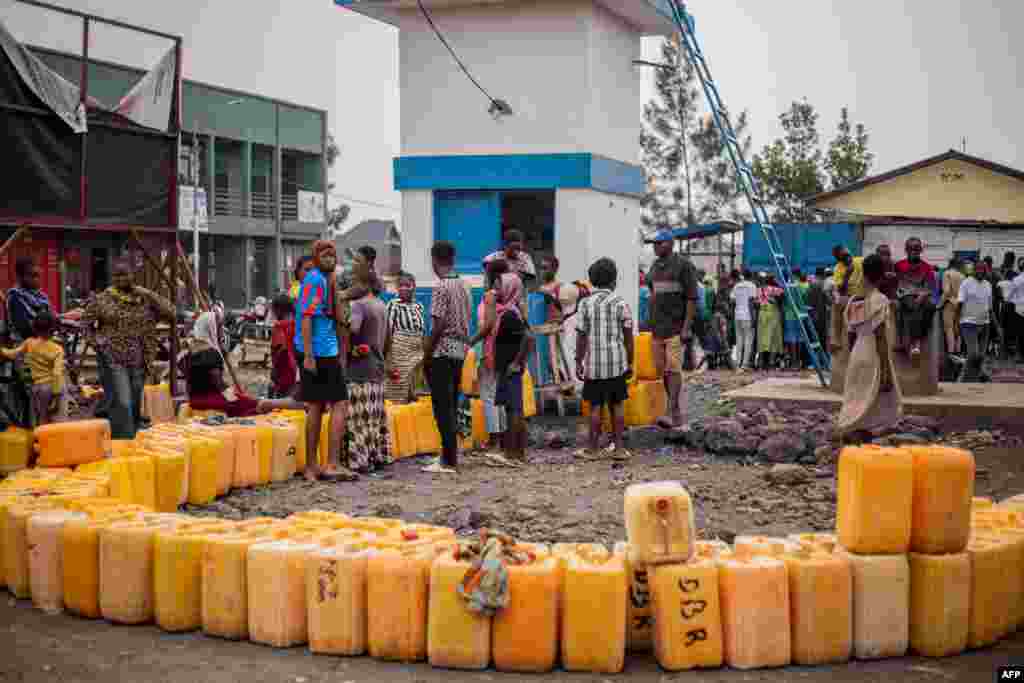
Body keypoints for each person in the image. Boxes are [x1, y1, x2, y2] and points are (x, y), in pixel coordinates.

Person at [79, 259, 175, 440]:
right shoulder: (102, 300)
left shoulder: (143, 299)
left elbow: (171, 312)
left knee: (134, 402)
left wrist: (148, 293)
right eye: (117, 275)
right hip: (113, 358)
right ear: (112, 278)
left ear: (133, 275)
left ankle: (128, 436)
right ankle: (125, 443)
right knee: (123, 401)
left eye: (125, 274)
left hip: (139, 358)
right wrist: (98, 342)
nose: (121, 278)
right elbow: (85, 324)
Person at [295, 240, 352, 482]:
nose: (330, 259)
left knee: (320, 405)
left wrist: (342, 352)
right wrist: (308, 356)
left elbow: (337, 317)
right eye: (325, 256)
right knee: (336, 404)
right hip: (316, 352)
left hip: (326, 350)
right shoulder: (314, 280)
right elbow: (306, 318)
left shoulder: (328, 281)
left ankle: (317, 466)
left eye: (333, 255)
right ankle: (325, 464)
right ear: (316, 259)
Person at [836, 254, 903, 441]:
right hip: (874, 352)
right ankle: (872, 430)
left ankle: (850, 426)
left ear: (863, 272)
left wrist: (853, 357)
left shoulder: (853, 301)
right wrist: (886, 369)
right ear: (881, 276)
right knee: (880, 391)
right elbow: (880, 337)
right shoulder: (880, 300)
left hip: (858, 350)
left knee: (857, 392)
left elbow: (850, 334)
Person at [575, 257, 634, 460]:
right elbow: (628, 337)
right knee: (617, 405)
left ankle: (592, 449)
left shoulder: (584, 304)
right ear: (614, 281)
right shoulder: (621, 303)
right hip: (617, 364)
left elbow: (581, 335)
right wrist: (630, 362)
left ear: (591, 281)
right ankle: (618, 449)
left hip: (594, 366)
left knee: (595, 406)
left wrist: (578, 361)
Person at [423, 240, 472, 474]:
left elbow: (439, 323)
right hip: (461, 350)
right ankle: (449, 455)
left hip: (443, 350)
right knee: (451, 402)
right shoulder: (464, 285)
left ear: (434, 260)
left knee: (442, 405)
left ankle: (448, 459)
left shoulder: (441, 286)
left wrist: (426, 353)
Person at [644, 230, 698, 429]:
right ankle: (675, 412)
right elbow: (652, 290)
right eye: (653, 244)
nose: (655, 247)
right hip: (657, 329)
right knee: (662, 370)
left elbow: (692, 298)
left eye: (658, 243)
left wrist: (686, 327)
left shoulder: (684, 265)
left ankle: (670, 410)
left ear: (669, 244)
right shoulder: (655, 266)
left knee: (673, 369)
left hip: (676, 328)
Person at [346, 250, 392, 474]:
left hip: (360, 368)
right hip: (378, 367)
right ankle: (377, 456)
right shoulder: (382, 306)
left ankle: (360, 460)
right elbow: (388, 339)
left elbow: (353, 329)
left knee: (358, 418)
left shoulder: (359, 306)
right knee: (375, 417)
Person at [468, 260, 512, 456]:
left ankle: (494, 440)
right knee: (498, 396)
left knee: (489, 396)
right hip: (502, 351)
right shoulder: (508, 296)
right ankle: (501, 438)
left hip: (489, 349)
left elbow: (488, 326)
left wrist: (472, 341)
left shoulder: (490, 297)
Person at [188, 348, 301, 417]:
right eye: (220, 371)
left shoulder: (194, 399)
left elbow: (239, 399)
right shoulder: (220, 402)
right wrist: (259, 407)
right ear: (214, 374)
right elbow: (242, 407)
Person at [491, 272, 533, 462]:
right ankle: (516, 453)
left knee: (514, 409)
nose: (495, 289)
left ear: (509, 289)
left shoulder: (509, 315)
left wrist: (516, 363)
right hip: (508, 367)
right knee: (512, 408)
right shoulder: (511, 311)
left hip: (510, 368)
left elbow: (529, 338)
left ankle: (514, 453)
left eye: (499, 286)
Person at [1, 312, 65, 426]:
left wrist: (2, 350)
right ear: (53, 329)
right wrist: (56, 395)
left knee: (40, 417)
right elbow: (56, 373)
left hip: (36, 388)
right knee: (55, 419)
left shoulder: (29, 343)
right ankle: (51, 442)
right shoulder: (57, 349)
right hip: (51, 387)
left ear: (34, 328)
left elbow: (12, 354)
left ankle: (38, 441)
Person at [537, 255, 590, 385]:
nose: (542, 271)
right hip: (548, 331)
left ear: (555, 269)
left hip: (565, 330)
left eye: (545, 268)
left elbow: (584, 294)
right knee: (552, 362)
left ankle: (576, 389)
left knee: (567, 359)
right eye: (541, 268)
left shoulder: (564, 288)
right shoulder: (543, 289)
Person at [893, 237, 938, 361]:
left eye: (917, 248)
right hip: (905, 295)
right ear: (906, 250)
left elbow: (931, 287)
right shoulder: (899, 265)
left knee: (931, 307)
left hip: (921, 295)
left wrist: (923, 295)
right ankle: (915, 344)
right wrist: (898, 296)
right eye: (911, 248)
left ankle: (921, 336)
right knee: (913, 306)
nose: (914, 251)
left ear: (921, 250)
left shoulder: (927, 267)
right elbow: (896, 284)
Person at [383, 271, 426, 403]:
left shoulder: (419, 306)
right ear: (397, 287)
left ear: (414, 286)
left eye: (408, 285)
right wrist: (388, 358)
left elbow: (422, 331)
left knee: (414, 386)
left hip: (417, 351)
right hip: (399, 351)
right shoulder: (393, 305)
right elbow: (388, 331)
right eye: (401, 285)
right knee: (398, 386)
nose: (404, 288)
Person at [957, 262, 993, 382]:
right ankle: (962, 379)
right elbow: (960, 303)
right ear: (974, 270)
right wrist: (956, 322)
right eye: (978, 269)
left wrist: (997, 326)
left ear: (986, 271)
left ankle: (979, 377)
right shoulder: (966, 283)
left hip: (985, 324)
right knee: (973, 355)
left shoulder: (988, 284)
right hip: (968, 323)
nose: (981, 272)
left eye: (983, 270)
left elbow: (990, 307)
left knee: (980, 356)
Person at [7, 257, 52, 344]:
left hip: (42, 343)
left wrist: (66, 317)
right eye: (33, 276)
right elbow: (25, 329)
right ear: (20, 277)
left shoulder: (41, 296)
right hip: (25, 346)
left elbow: (51, 316)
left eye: (38, 275)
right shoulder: (15, 296)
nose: (37, 279)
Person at [830, 245, 865, 352]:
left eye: (848, 255)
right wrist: (847, 276)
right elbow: (840, 290)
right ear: (839, 259)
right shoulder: (838, 268)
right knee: (837, 304)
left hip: (864, 296)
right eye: (844, 257)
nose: (848, 258)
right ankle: (836, 339)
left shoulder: (861, 261)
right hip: (850, 297)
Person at [270, 294, 298, 399]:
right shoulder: (299, 324)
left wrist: (275, 371)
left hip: (285, 373)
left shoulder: (279, 326)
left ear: (279, 310)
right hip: (299, 371)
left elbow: (281, 351)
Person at [730, 269, 758, 370]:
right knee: (748, 340)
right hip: (747, 316)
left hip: (737, 315)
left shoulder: (737, 285)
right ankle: (745, 365)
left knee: (739, 340)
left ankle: (737, 363)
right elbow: (751, 303)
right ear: (751, 276)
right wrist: (753, 317)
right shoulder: (752, 286)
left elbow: (732, 301)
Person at [756, 274, 785, 369]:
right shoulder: (775, 289)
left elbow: (756, 302)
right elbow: (782, 297)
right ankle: (771, 362)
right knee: (773, 338)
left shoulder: (759, 289)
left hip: (762, 315)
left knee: (762, 339)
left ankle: (760, 362)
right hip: (773, 314)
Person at [941, 257, 965, 355]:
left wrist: (939, 304)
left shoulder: (947, 274)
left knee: (949, 328)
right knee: (957, 328)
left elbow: (946, 291)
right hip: (960, 303)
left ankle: (951, 352)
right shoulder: (962, 276)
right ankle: (958, 351)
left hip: (949, 303)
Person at [805, 267, 831, 358]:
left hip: (812, 314)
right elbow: (827, 299)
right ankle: (822, 360)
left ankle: (813, 360)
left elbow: (808, 300)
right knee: (821, 338)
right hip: (821, 314)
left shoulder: (811, 284)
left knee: (813, 338)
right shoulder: (823, 284)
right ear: (823, 274)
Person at [1007, 258, 1024, 362]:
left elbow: (1010, 295)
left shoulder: (1016, 280)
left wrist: (1007, 300)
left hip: (1019, 309)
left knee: (1020, 333)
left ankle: (1020, 356)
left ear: (1019, 268)